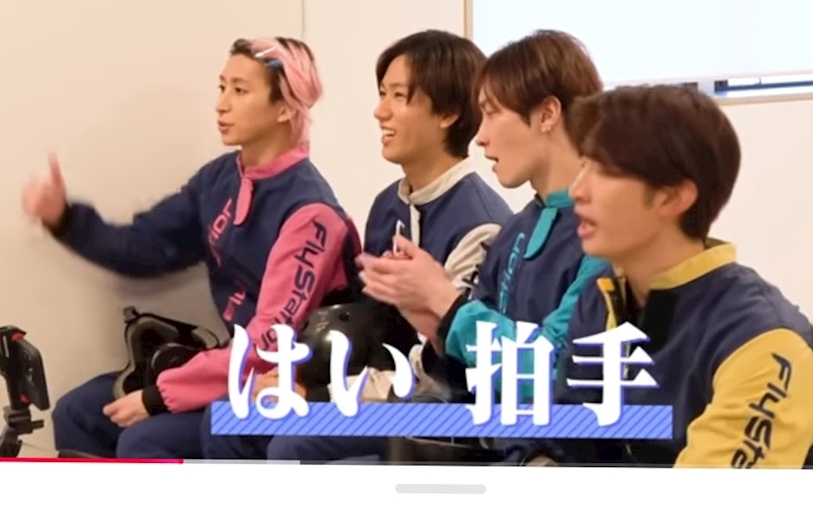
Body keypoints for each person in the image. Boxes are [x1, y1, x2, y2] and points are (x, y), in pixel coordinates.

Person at [22, 36, 362, 459]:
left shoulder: (311, 213)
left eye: (240, 90)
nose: (221, 104)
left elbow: (268, 342)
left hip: (283, 381)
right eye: (222, 87)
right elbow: (145, 247)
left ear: (284, 108)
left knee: (143, 440)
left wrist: (159, 395)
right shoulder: (219, 179)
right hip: (230, 367)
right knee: (78, 412)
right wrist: (65, 219)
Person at [200, 29, 513, 463]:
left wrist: (323, 394)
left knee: (292, 442)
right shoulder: (388, 205)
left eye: (398, 97)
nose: (380, 111)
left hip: (440, 407)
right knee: (231, 417)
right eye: (382, 94)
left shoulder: (479, 222)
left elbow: (446, 370)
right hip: (380, 388)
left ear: (448, 113)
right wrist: (300, 375)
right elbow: (366, 329)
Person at [505, 84, 813, 468]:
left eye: (604, 171)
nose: (578, 190)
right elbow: (556, 434)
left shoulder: (764, 342)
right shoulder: (602, 300)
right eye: (583, 166)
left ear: (673, 197)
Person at [358, 30, 606, 461]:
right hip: (495, 444)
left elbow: (554, 372)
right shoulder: (518, 230)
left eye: (491, 114)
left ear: (547, 113)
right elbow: (469, 378)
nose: (480, 136)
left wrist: (446, 303)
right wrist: (435, 324)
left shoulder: (609, 236)